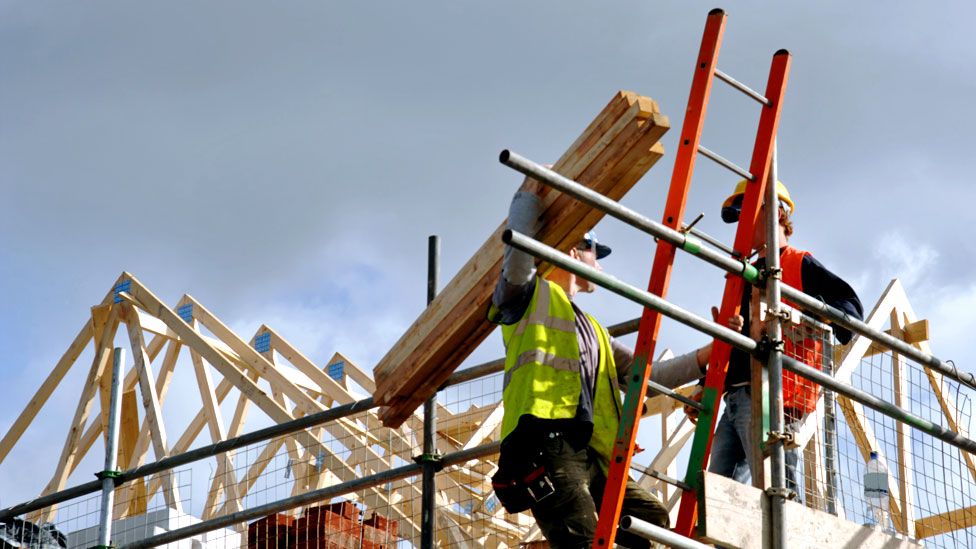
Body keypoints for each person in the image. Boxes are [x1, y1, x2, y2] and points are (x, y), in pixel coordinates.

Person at [488, 177, 736, 549]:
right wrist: (529, 194)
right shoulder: (528, 298)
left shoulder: (594, 332)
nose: (598, 261)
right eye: (592, 250)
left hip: (593, 454)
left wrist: (711, 353)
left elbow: (648, 376)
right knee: (586, 542)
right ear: (571, 251)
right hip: (547, 443)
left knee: (651, 520)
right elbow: (519, 259)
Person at [702, 179, 864, 497]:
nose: (740, 228)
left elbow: (851, 314)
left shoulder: (796, 263)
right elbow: (738, 343)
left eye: (746, 215)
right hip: (735, 398)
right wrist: (707, 383)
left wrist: (801, 320)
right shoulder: (745, 274)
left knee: (779, 492)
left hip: (778, 397)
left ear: (775, 213)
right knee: (721, 498)